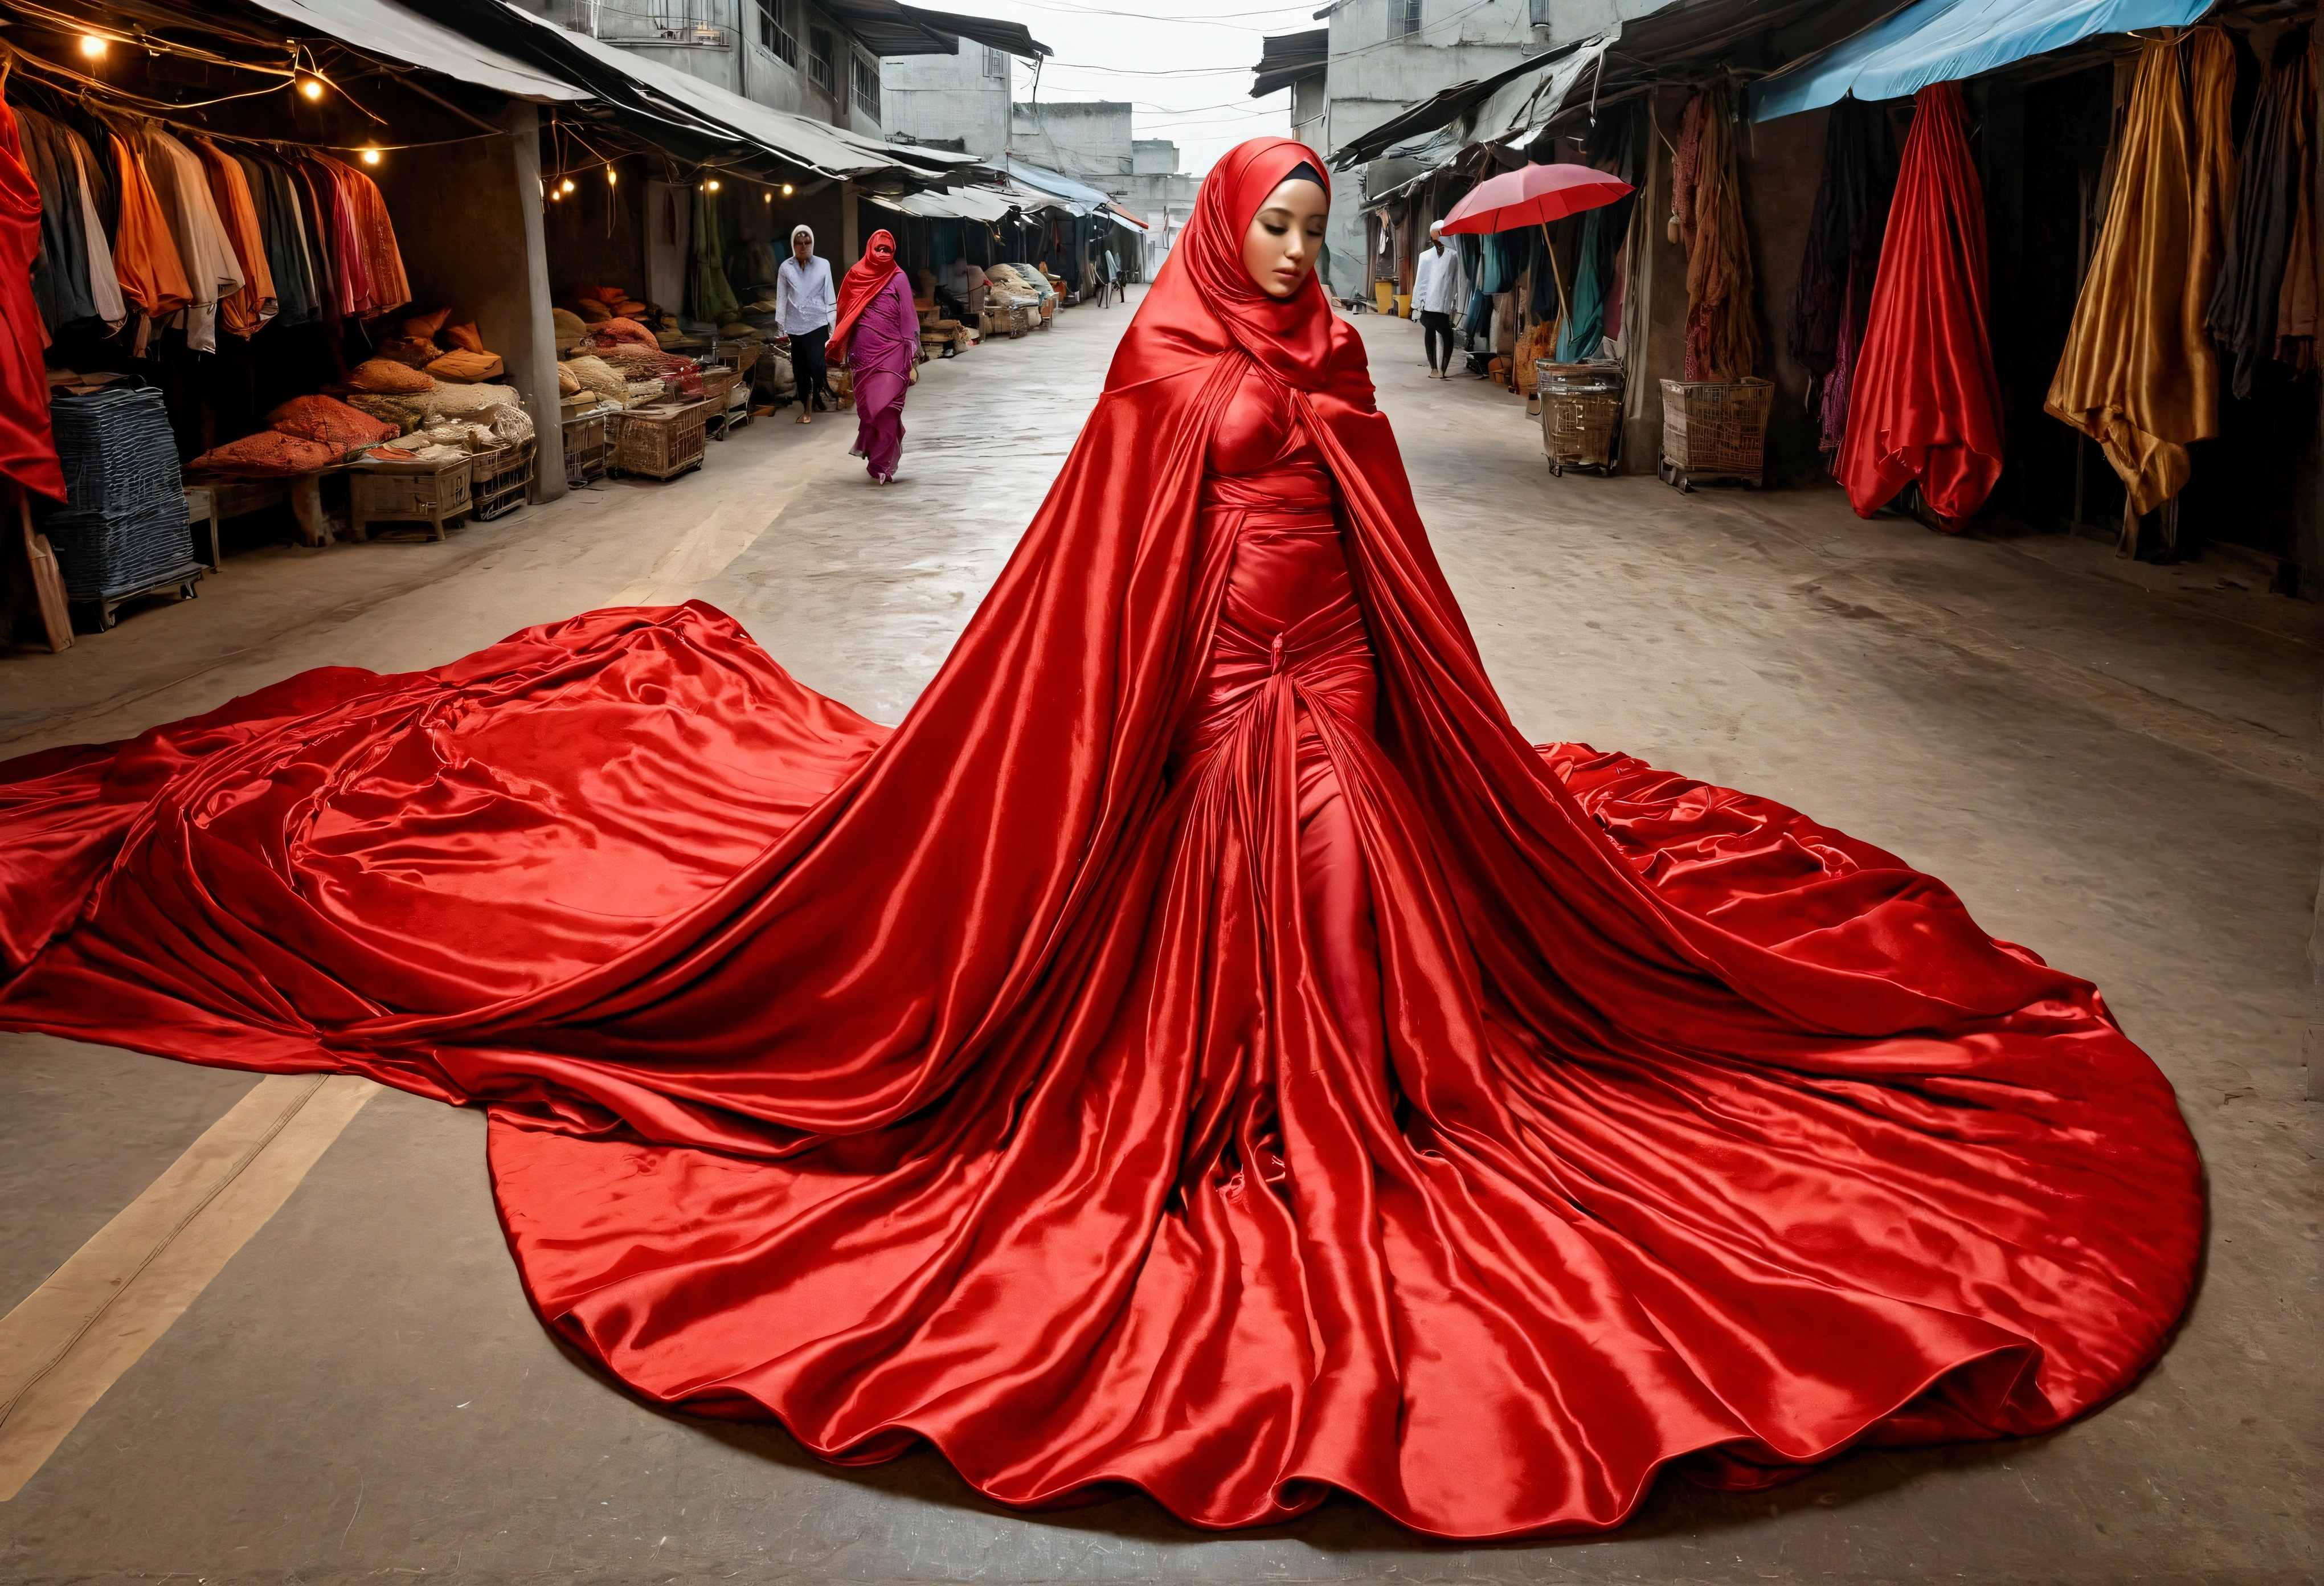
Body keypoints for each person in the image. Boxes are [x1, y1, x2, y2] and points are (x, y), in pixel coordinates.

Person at [0, 139, 2200, 1542]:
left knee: (1406, 945)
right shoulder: (1160, 363)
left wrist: (1411, 708)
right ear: (1211, 221)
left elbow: (1386, 545)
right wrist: (1112, 730)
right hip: (1217, 714)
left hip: (1344, 696)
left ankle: (1405, 1091)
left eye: (1311, 223)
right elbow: (1096, 585)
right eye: (1270, 216)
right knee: (1222, 958)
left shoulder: (1330, 344)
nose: (1291, 246)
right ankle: (1300, 1113)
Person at [829, 230, 919, 485]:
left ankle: (884, 465)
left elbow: (909, 316)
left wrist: (912, 354)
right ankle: (877, 459)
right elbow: (845, 310)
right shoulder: (856, 276)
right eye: (878, 249)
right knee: (870, 409)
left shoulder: (899, 277)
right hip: (864, 354)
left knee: (887, 408)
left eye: (887, 250)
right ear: (870, 249)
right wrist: (840, 343)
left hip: (893, 351)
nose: (882, 254)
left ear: (893, 253)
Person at [772, 223, 834, 424]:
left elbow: (829, 293)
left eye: (807, 242)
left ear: (812, 243)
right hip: (795, 327)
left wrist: (832, 323)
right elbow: (781, 298)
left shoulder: (823, 265)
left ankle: (817, 394)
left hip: (818, 324)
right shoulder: (785, 268)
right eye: (799, 242)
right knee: (800, 369)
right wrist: (780, 326)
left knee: (817, 365)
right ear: (793, 244)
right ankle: (807, 407)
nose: (803, 246)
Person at [1411, 219, 1462, 378]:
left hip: (1443, 305)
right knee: (1436, 332)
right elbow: (1420, 281)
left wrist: (1456, 304)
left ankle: (1440, 370)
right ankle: (1436, 369)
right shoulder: (1426, 256)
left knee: (1443, 333)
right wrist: (1417, 305)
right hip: (1431, 305)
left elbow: (1457, 282)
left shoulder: (1454, 256)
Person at [911, 267, 968, 356]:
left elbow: (955, 307)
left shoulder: (938, 292)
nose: (929, 282)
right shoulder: (919, 296)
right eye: (926, 280)